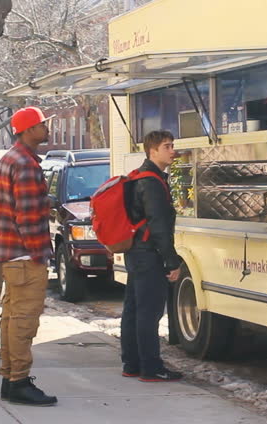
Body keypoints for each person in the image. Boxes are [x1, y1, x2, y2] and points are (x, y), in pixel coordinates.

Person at [0, 107, 57, 406]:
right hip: (26, 255)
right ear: (29, 129)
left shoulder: (10, 159)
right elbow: (29, 216)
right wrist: (38, 254)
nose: (46, 129)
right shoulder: (26, 164)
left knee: (10, 319)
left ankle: (9, 378)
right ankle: (19, 381)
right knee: (24, 321)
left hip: (11, 254)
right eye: (43, 124)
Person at [121, 130, 184, 382]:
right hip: (149, 255)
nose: (172, 151)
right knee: (149, 312)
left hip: (135, 252)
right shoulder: (152, 182)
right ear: (152, 151)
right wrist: (171, 260)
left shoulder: (140, 177)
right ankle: (151, 367)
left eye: (172, 146)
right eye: (167, 146)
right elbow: (158, 226)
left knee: (134, 309)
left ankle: (131, 363)